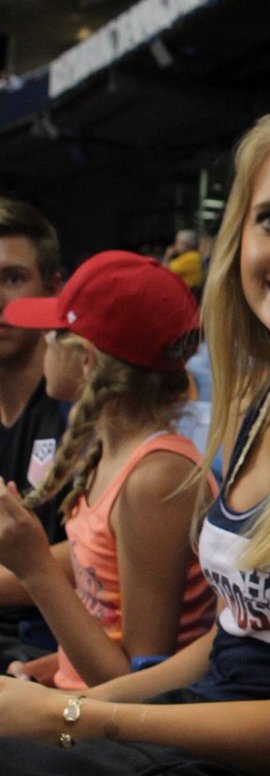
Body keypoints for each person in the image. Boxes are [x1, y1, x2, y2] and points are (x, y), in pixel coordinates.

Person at [0, 101, 270, 774]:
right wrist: (65, 707)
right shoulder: (266, 397)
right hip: (202, 722)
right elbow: (227, 642)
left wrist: (77, 718)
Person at [0, 250, 215, 689]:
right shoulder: (109, 454)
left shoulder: (155, 480)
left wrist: (35, 566)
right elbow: (102, 619)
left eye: (56, 333)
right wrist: (49, 670)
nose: (44, 342)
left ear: (87, 363)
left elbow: (138, 682)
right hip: (85, 704)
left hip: (124, 734)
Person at [0, 197, 67, 666]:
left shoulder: (86, 409)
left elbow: (99, 556)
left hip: (43, 645)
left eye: (13, 278)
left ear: (53, 289)